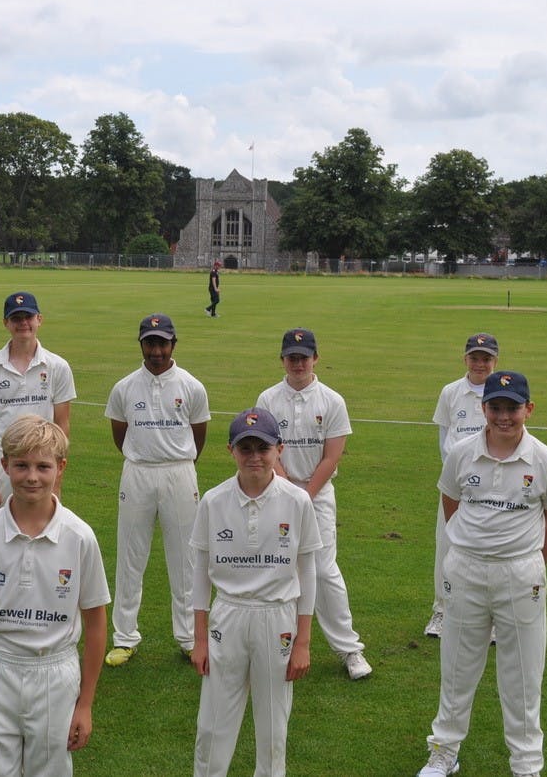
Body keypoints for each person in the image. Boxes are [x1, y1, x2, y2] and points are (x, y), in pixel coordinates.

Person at [416, 371, 547, 777]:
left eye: (512, 408)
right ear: (483, 408)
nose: (504, 416)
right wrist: (470, 546)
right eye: (496, 407)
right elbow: (451, 502)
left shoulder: (544, 459)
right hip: (466, 570)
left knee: (523, 674)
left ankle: (526, 765)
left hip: (520, 574)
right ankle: (444, 752)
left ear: (528, 409)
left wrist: (534, 562)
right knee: (457, 666)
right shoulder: (461, 453)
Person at [0, 415, 109, 776]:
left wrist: (85, 704)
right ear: (4, 465)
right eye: (21, 465)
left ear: (60, 468)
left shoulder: (79, 538)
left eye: (43, 466)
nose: (32, 477)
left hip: (54, 674)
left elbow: (97, 624)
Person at [190, 408, 320, 777]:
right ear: (230, 450)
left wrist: (303, 642)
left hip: (277, 616)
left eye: (262, 448)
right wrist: (199, 638)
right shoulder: (213, 500)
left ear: (279, 449)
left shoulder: (297, 501)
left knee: (273, 727)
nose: (254, 457)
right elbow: (199, 573)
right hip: (228, 615)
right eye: (245, 448)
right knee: (212, 725)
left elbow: (307, 572)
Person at [256, 328, 373, 680]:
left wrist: (305, 496)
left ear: (315, 359)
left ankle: (349, 649)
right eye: (292, 358)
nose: (298, 364)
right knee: (278, 566)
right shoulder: (267, 399)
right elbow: (267, 451)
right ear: (282, 360)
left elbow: (332, 456)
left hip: (317, 495)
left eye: (304, 358)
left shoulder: (332, 401)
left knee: (322, 570)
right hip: (276, 492)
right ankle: (279, 644)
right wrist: (287, 490)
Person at [103, 313, 210, 666]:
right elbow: (120, 434)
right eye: (150, 343)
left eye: (163, 343)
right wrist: (143, 455)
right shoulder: (124, 387)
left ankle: (189, 637)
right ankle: (124, 637)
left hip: (179, 472)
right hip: (138, 472)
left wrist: (179, 461)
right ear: (141, 345)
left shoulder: (192, 387)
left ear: (173, 344)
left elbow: (198, 434)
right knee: (130, 556)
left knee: (185, 558)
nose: (156, 351)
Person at [0, 291, 76, 520]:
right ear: (6, 323)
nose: (23, 323)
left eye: (28, 317)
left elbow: (62, 425)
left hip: (43, 462)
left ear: (39, 319)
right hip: (2, 463)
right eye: (16, 318)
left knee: (42, 530)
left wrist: (57, 481)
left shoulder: (58, 366)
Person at [425, 333, 499, 638]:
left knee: (490, 550)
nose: (480, 364)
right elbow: (445, 438)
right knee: (447, 546)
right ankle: (442, 611)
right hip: (456, 485)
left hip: (493, 488)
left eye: (486, 358)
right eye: (474, 358)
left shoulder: (502, 392)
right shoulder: (450, 392)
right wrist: (455, 476)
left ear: (495, 361)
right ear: (465, 359)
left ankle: (491, 620)